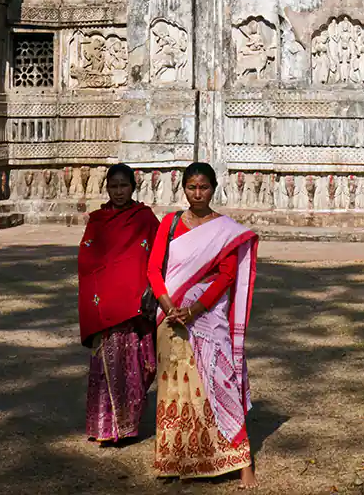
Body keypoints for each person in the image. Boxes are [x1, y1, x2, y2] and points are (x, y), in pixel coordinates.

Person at [148, 162, 258, 486]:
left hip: (208, 315)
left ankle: (241, 462)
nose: (198, 194)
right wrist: (170, 307)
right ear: (183, 188)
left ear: (214, 188)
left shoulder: (223, 229)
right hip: (170, 315)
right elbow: (154, 269)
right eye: (192, 187)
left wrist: (194, 310)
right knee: (176, 388)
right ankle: (178, 459)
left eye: (204, 187)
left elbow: (226, 275)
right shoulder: (169, 223)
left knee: (221, 379)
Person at [78, 162, 160, 443]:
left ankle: (128, 425)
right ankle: (104, 427)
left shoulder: (145, 218)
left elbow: (160, 255)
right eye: (113, 186)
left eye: (124, 185)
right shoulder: (98, 220)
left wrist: (149, 289)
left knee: (135, 364)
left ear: (133, 187)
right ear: (107, 188)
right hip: (107, 308)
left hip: (134, 306)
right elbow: (87, 261)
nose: (119, 191)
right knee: (105, 367)